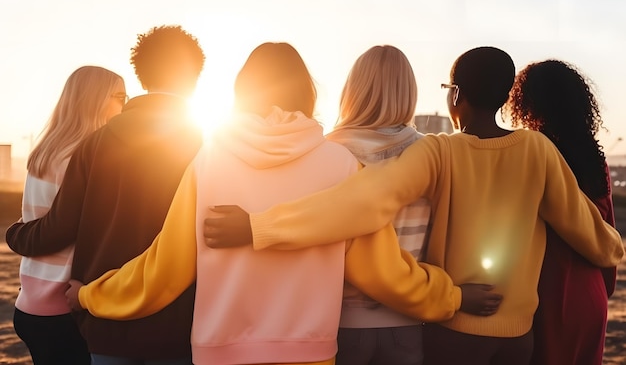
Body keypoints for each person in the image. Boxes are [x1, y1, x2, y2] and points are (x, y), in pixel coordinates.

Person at [66, 42, 501, 365]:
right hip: (308, 351)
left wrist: (89, 293)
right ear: (307, 93)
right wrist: (451, 296)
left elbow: (162, 270)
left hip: (220, 353)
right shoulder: (340, 165)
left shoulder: (210, 161)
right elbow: (384, 273)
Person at [202, 46, 624, 365]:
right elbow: (587, 229)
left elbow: (362, 203)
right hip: (518, 339)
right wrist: (614, 249)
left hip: (452, 332)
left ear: (455, 95)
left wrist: (260, 227)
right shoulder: (538, 150)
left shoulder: (440, 153)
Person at [6, 25, 205, 365]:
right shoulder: (205, 143)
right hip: (178, 316)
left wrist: (16, 232)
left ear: (141, 75)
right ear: (195, 77)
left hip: (99, 312)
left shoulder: (92, 144)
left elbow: (61, 225)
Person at [505, 59, 617, 365]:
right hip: (591, 292)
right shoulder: (597, 161)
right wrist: (599, 291)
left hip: (545, 292)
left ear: (526, 103)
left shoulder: (531, 154)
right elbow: (607, 230)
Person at [12, 65, 126, 365]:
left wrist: (16, 233)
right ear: (95, 100)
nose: (125, 106)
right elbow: (63, 228)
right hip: (62, 306)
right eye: (120, 97)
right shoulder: (82, 156)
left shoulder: (45, 152)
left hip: (29, 303)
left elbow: (37, 224)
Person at [326, 45, 431, 364]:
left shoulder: (328, 153)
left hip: (339, 322)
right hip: (407, 322)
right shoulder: (429, 155)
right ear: (408, 93)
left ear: (352, 90)